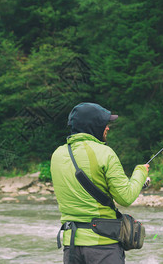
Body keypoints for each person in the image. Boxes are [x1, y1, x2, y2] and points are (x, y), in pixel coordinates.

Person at [51, 102, 149, 264]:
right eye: (104, 123)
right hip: (103, 246)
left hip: (71, 247)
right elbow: (126, 197)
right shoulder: (104, 153)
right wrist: (140, 172)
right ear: (92, 126)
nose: (108, 128)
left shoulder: (57, 155)